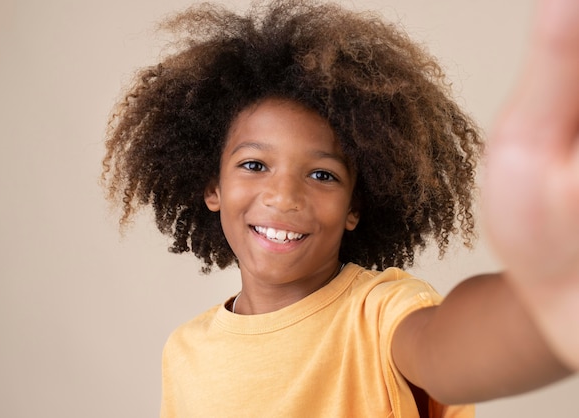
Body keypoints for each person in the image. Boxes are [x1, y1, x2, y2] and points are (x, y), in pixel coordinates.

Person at [101, 0, 579, 416]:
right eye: (254, 164)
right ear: (212, 187)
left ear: (355, 207)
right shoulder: (185, 351)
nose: (284, 196)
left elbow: (447, 350)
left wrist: (547, 306)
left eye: (322, 175)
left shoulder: (380, 314)